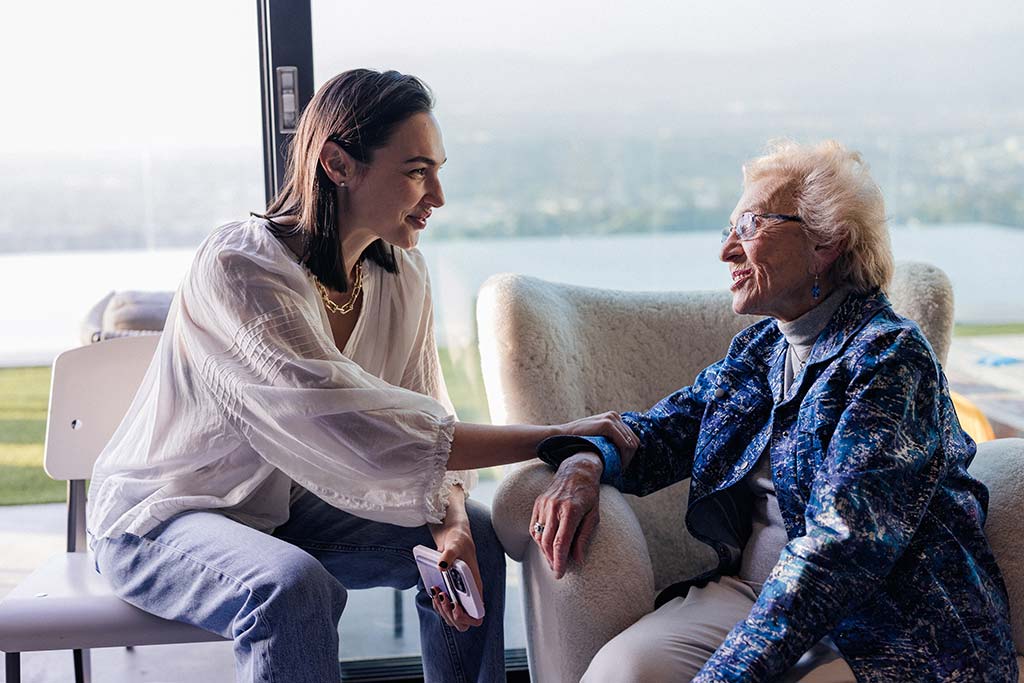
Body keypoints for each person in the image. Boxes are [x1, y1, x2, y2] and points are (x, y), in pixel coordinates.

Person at [86, 69, 633, 683]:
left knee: (473, 533)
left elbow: (424, 408)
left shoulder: (403, 276)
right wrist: (552, 435)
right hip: (163, 519)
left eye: (438, 170)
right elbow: (357, 425)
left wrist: (449, 524)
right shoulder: (241, 269)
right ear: (338, 164)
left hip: (287, 512)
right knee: (290, 587)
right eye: (417, 171)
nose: (438, 196)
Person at [530, 140, 1018, 682]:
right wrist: (586, 463)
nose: (727, 252)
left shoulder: (889, 358)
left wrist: (730, 673)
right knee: (623, 673)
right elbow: (662, 432)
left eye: (750, 227)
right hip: (757, 596)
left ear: (826, 242)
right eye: (728, 231)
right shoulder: (763, 349)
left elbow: (844, 546)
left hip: (886, 622)